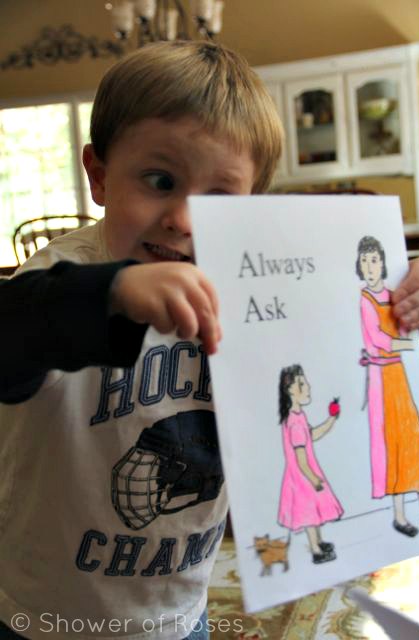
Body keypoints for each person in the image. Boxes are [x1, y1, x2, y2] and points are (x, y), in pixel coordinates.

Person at [0, 41, 284, 640]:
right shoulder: (54, 281)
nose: (184, 219)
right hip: (46, 615)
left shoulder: (252, 284)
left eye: (218, 199)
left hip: (179, 607)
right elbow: (15, 331)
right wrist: (113, 293)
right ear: (100, 176)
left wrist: (401, 292)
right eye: (160, 180)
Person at [356, 236, 419, 537]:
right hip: (380, 379)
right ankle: (398, 515)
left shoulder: (393, 291)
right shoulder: (365, 300)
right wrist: (404, 344)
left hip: (399, 374)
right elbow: (377, 339)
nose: (370, 266)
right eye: (365, 261)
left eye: (374, 260)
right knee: (392, 445)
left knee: (413, 439)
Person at [277, 365, 343, 564]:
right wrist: (313, 479)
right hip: (302, 476)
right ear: (290, 390)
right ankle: (315, 549)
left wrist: (331, 419)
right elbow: (300, 458)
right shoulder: (294, 422)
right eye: (302, 383)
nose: (308, 387)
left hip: (305, 473)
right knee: (309, 514)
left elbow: (311, 435)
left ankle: (319, 542)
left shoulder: (298, 416)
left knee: (313, 511)